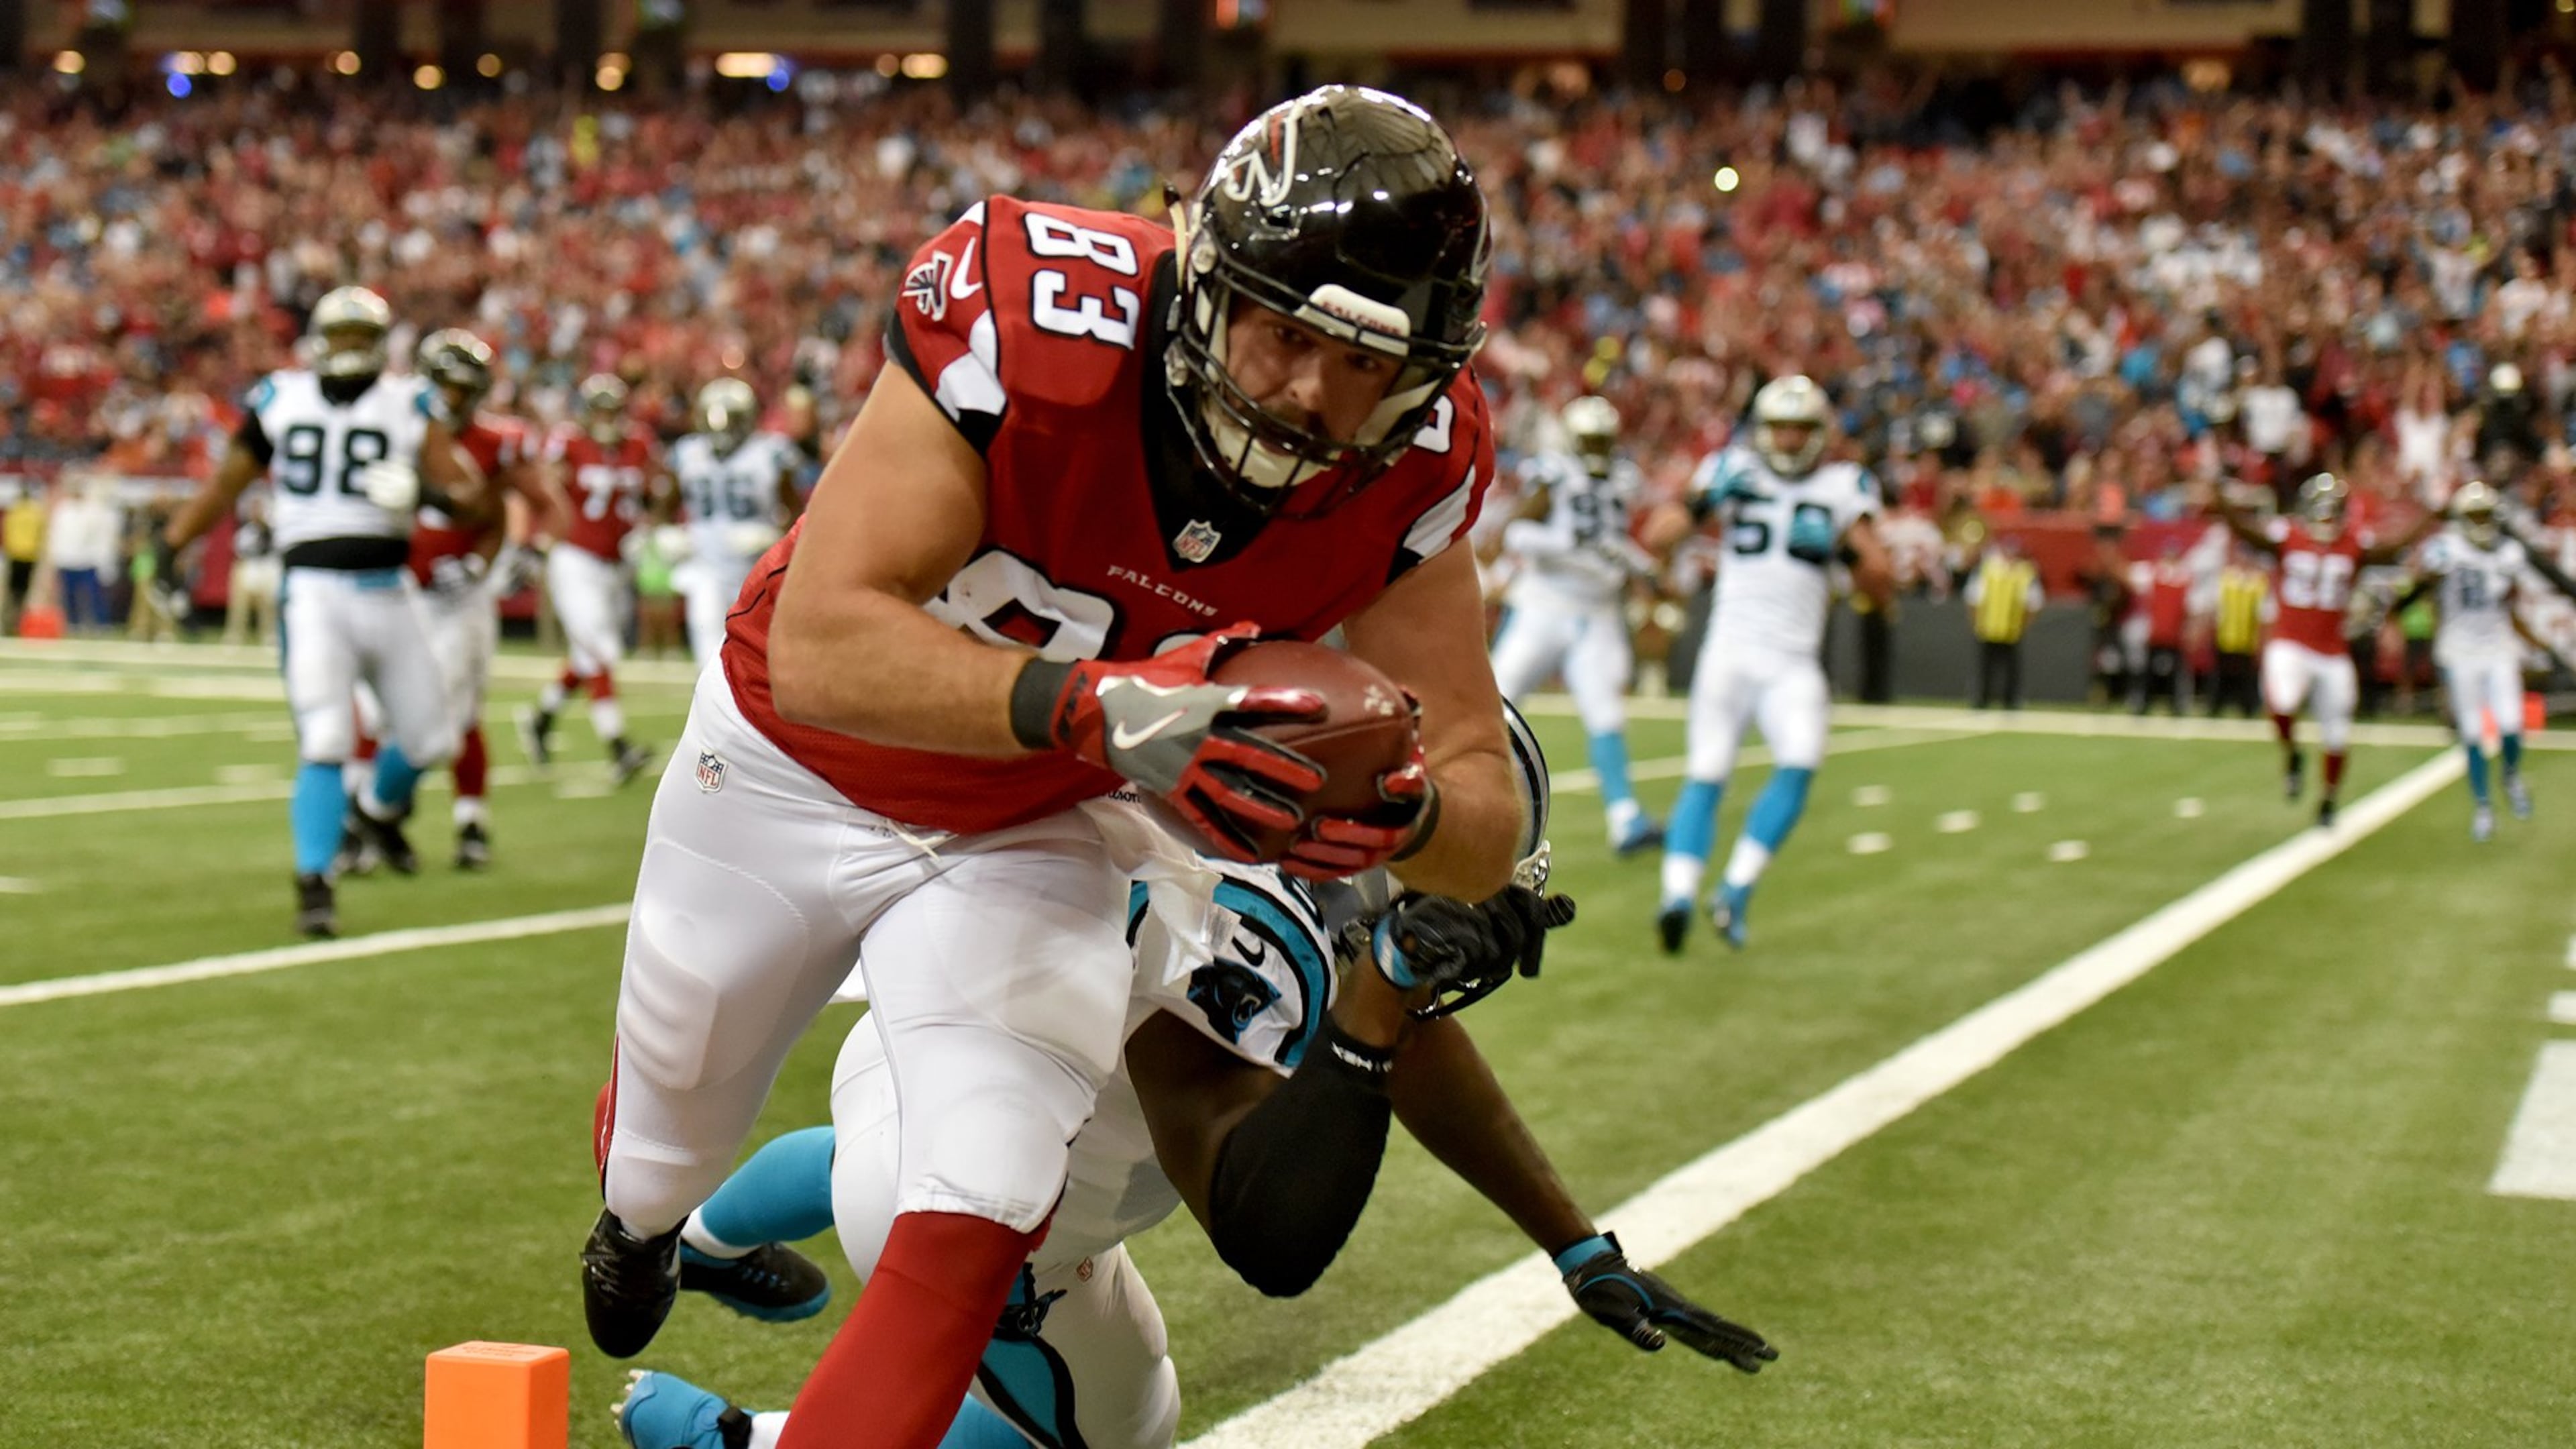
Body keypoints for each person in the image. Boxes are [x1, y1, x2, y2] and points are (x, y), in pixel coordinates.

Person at [580, 87, 1521, 1449]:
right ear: (1207, 277)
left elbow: (1482, 808)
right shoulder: (1040, 317)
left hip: (1045, 825)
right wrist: (1104, 711)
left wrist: (1399, 816)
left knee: (985, 1184)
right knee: (662, 1140)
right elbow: (828, 639)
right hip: (799, 766)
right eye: (1289, 335)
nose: (1320, 396)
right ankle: (645, 1227)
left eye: (1370, 364)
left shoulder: (1413, 473)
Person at [611, 728, 1772, 1449]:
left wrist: (1575, 1246)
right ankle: (736, 1439)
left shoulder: (1228, 796)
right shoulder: (1254, 938)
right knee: (1118, 1433)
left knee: (879, 1139)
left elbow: (1411, 1045)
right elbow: (1263, 1228)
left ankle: (699, 1237)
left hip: (916, 1066)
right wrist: (1375, 1003)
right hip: (988, 1207)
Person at [162, 285, 489, 936]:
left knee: (431, 739)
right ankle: (315, 880)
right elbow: (228, 484)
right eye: (340, 337)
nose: (349, 350)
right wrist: (170, 543)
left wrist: (427, 492)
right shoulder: (281, 397)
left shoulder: (408, 402)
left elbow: (473, 498)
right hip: (313, 591)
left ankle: (370, 812)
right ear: (318, 339)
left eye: (360, 338)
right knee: (327, 737)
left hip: (390, 589)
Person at [1650, 374, 1892, 953]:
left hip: (1793, 662)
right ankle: (1677, 896)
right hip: (1730, 651)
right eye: (1779, 428)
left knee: (1799, 764)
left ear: (1819, 434)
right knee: (1706, 774)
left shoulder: (1841, 487)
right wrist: (1701, 500)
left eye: (1799, 429)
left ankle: (1733, 889)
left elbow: (1881, 583)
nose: (1786, 440)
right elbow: (1660, 537)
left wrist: (1843, 541)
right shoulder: (1731, 469)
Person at [406, 329, 566, 868]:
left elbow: (547, 502)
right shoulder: (392, 427)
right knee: (379, 711)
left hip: (462, 593)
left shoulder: (498, 441)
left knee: (459, 709)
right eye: (443, 387)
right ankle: (373, 814)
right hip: (398, 587)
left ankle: (469, 822)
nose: (450, 399)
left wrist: (526, 553)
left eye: (460, 389)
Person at [1487, 396, 1662, 853]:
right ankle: (1466, 800)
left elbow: (1616, 543)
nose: (1597, 449)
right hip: (1545, 606)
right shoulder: (1555, 472)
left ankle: (1625, 819)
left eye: (1603, 440)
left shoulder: (1623, 478)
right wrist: (1565, 544)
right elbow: (1518, 530)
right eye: (1590, 440)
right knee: (1495, 701)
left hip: (1599, 612)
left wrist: (1635, 565)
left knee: (1606, 713)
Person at [2213, 474, 2437, 827]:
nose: (2327, 517)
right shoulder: (2290, 537)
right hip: (2291, 641)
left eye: (2333, 510)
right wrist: (2223, 506)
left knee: (2336, 735)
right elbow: (2249, 534)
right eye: (2322, 509)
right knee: (2282, 703)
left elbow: (2393, 547)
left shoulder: (2353, 544)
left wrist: (2427, 518)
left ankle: (2329, 799)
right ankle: (2292, 755)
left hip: (2332, 650)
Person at [519, 374, 657, 784]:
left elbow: (651, 493)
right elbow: (548, 490)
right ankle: (618, 746)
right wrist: (539, 539)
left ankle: (540, 719)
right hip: (575, 556)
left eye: (612, 410)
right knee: (600, 650)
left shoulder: (638, 445)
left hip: (616, 563)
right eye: (598, 409)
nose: (606, 418)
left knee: (587, 654)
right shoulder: (569, 443)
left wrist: (647, 526)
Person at [2403, 480, 2537, 840]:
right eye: (2474, 515)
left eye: (2485, 515)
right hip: (2460, 651)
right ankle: (2482, 805)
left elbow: (2511, 604)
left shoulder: (2508, 553)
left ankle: (2510, 776)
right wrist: (2426, 577)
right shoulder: (2446, 548)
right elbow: (2419, 582)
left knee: (2512, 724)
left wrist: (2529, 643)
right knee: (2473, 731)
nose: (2480, 521)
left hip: (2498, 648)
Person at [665, 378, 805, 666]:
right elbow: (665, 504)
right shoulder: (688, 452)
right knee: (707, 650)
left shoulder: (771, 452)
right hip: (706, 564)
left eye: (732, 419)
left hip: (756, 566)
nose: (723, 427)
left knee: (759, 652)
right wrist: (664, 532)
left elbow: (797, 512)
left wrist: (772, 536)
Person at [1964, 535, 2041, 710]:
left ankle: (2011, 700)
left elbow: (2033, 603)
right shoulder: (1987, 569)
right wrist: (1975, 621)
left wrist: (2024, 625)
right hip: (1988, 627)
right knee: (1985, 667)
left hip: (2012, 629)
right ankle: (1981, 699)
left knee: (2011, 668)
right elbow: (1974, 598)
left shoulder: (2025, 572)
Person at [2207, 543, 2269, 718]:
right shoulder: (2226, 578)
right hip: (2227, 634)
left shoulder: (2258, 581)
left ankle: (2248, 708)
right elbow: (2216, 606)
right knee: (2221, 675)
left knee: (2247, 677)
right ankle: (2215, 706)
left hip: (2247, 636)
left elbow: (2263, 612)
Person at [222, 492, 280, 647]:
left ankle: (269, 634)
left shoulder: (271, 530)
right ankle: (235, 635)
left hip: (266, 567)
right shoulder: (246, 531)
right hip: (250, 567)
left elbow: (274, 547)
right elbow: (239, 552)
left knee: (268, 604)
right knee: (240, 604)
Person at [3, 480, 48, 635]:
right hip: (30, 556)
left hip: (15, 555)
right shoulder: (36, 512)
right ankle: (18, 624)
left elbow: (7, 533)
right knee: (23, 593)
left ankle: (9, 623)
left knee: (12, 593)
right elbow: (41, 534)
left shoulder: (14, 511)